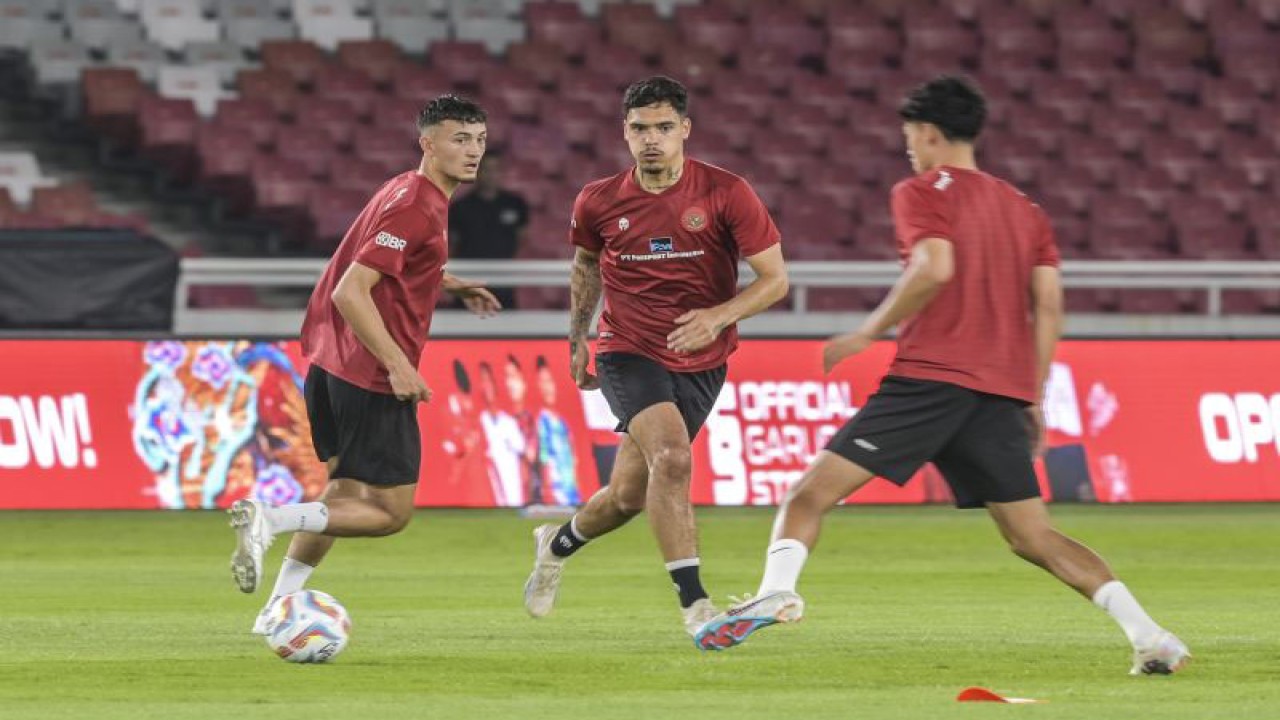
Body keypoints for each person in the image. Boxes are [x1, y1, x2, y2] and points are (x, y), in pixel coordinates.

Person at [692, 76, 1190, 676]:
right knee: (1033, 536)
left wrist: (867, 333)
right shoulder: (1027, 210)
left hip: (930, 381)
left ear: (928, 133)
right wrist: (1031, 392)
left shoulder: (922, 191)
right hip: (999, 391)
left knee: (808, 495)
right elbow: (1050, 306)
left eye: (910, 137)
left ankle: (778, 591)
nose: (909, 149)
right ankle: (1150, 636)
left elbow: (934, 266)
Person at [522, 76, 790, 640]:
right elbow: (586, 268)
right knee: (671, 458)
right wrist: (577, 338)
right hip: (628, 349)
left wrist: (717, 317)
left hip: (703, 357)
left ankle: (557, 542)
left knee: (625, 497)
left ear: (685, 130)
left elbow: (775, 281)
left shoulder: (725, 192)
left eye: (664, 128)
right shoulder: (598, 200)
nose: (651, 139)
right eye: (640, 128)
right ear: (624, 132)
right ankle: (697, 608)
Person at [227, 95, 502, 634]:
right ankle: (272, 519)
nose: (473, 152)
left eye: (479, 140)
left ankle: (273, 610)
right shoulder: (416, 206)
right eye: (459, 139)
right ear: (428, 143)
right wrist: (398, 365)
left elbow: (387, 262)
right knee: (389, 514)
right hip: (367, 371)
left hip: (329, 364)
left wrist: (448, 282)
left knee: (343, 495)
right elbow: (353, 291)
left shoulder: (405, 188)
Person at [449, 151, 529, 310]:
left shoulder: (516, 204)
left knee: (506, 329)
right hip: (469, 281)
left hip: (504, 280)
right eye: (486, 169)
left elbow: (522, 238)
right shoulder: (460, 207)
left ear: (502, 172)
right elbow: (453, 242)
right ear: (477, 172)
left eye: (496, 169)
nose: (491, 174)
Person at [478, 359, 526, 506]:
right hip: (489, 487)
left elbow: (522, 448)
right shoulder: (480, 421)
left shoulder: (509, 422)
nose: (486, 387)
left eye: (488, 381)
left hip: (512, 487)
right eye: (482, 381)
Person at [535, 355, 581, 507]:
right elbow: (544, 456)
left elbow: (572, 455)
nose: (546, 387)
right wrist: (548, 486)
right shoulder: (542, 421)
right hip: (556, 489)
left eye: (548, 381)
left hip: (570, 487)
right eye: (542, 382)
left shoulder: (562, 422)